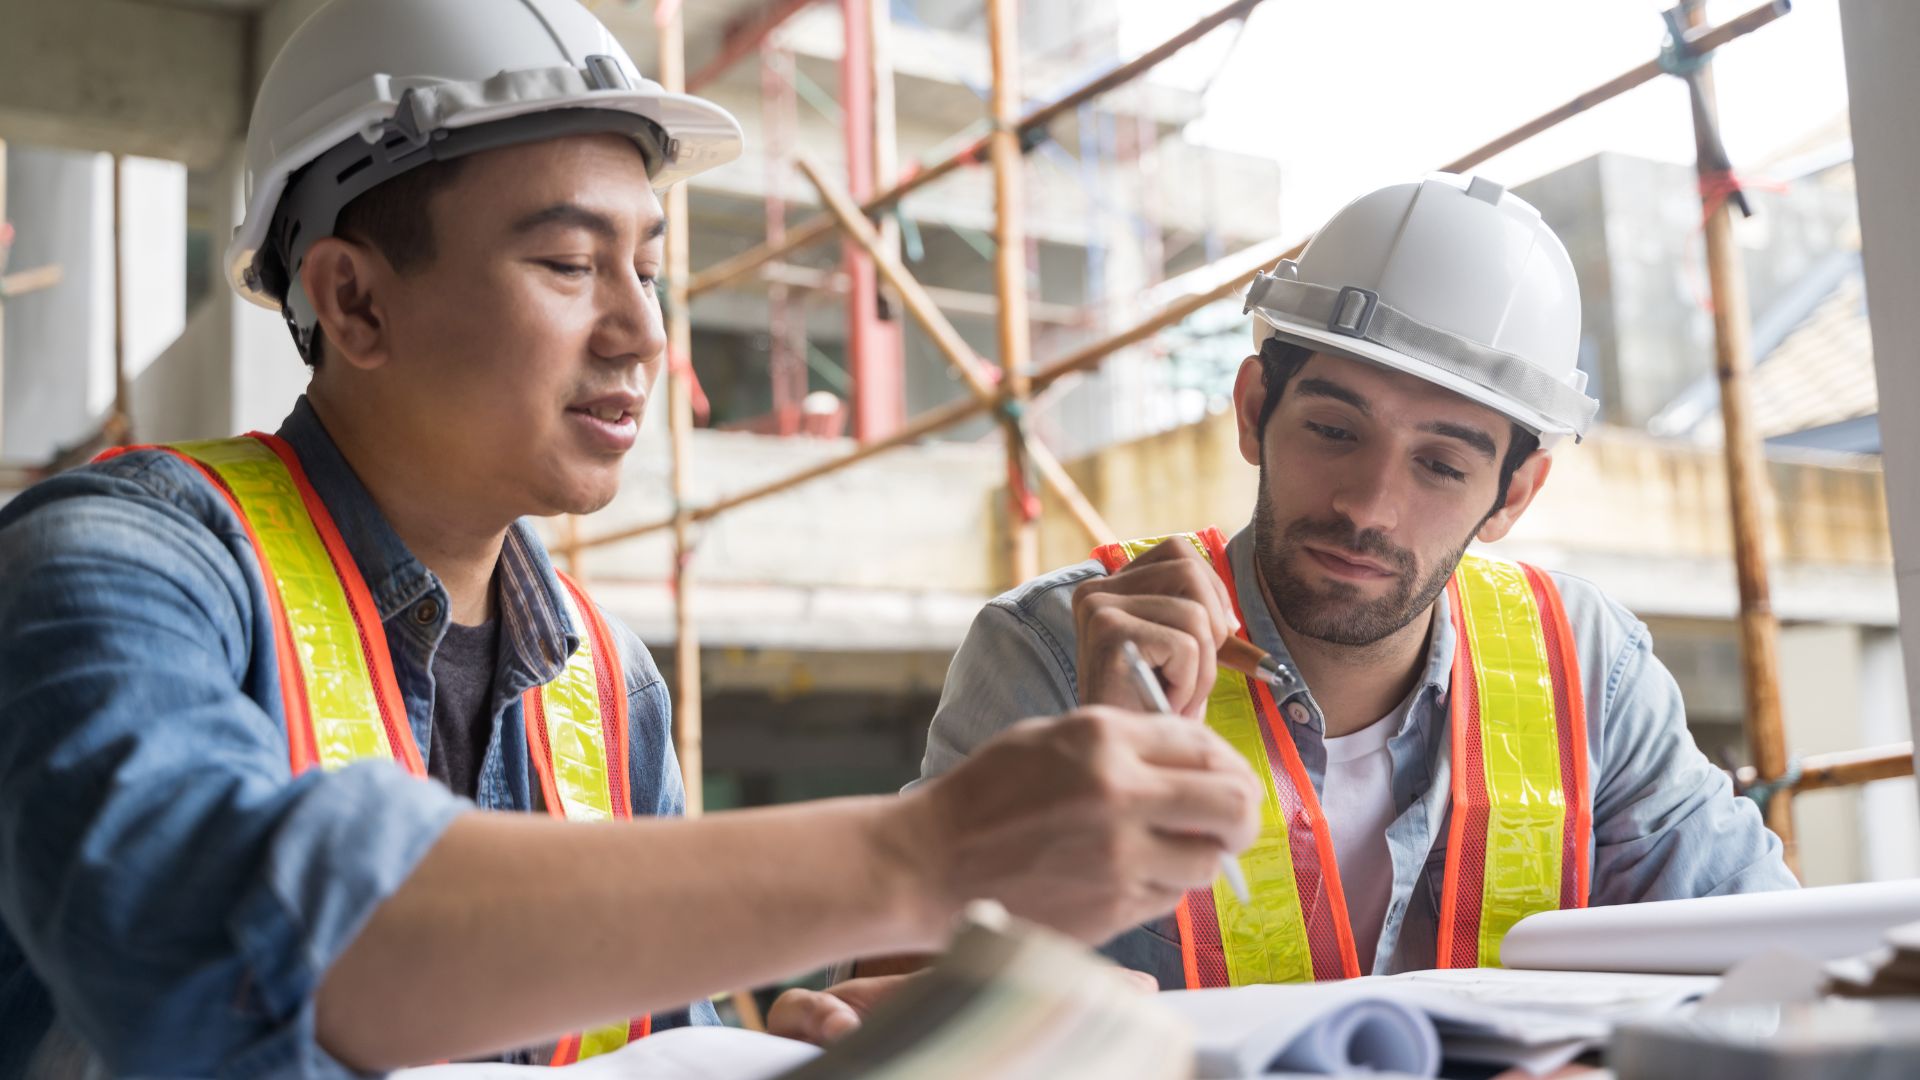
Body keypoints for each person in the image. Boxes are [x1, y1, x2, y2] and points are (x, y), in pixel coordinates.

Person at [0, 0, 1261, 1073]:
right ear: (355, 298)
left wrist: (813, 1050)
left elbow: (651, 1047)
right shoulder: (119, 565)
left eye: (647, 265)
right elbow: (207, 941)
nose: (643, 332)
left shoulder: (606, 684)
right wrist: (916, 856)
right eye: (566, 262)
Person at [910, 174, 1798, 989]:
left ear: (1512, 494)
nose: (1370, 507)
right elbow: (888, 1015)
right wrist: (1070, 807)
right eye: (1336, 430)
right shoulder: (1063, 651)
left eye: (1442, 466)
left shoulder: (1586, 667)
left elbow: (1770, 969)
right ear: (1256, 410)